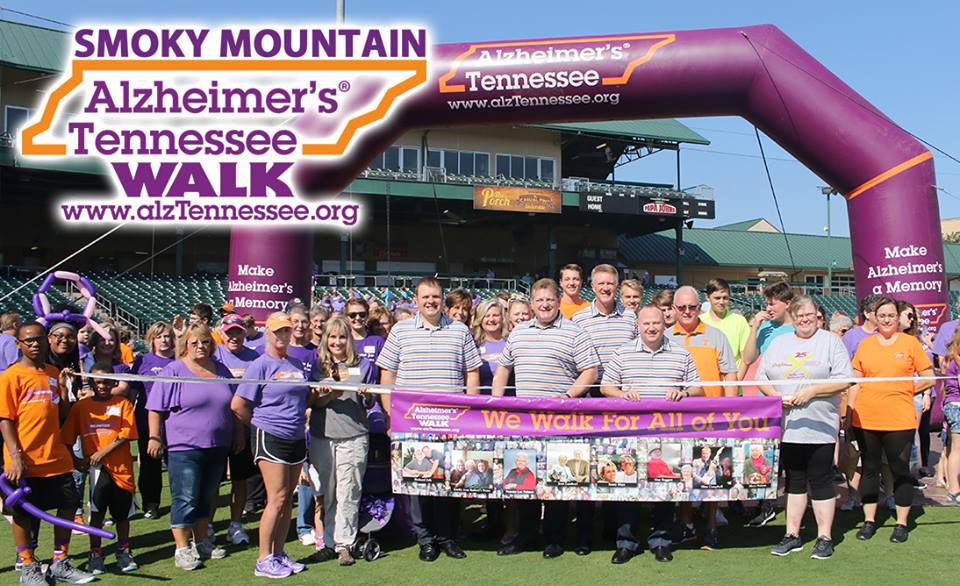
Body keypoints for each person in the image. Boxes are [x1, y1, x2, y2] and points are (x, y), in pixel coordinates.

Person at [377, 277, 482, 562]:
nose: (431, 301)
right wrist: (391, 415)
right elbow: (387, 374)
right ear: (416, 300)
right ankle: (425, 540)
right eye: (425, 297)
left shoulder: (459, 330)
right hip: (412, 422)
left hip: (452, 422)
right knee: (417, 482)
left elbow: (472, 373)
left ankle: (447, 537)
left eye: (435, 296)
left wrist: (471, 412)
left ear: (442, 298)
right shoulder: (400, 331)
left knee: (448, 482)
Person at [493, 278, 599, 558]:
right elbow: (503, 368)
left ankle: (554, 538)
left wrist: (568, 396)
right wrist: (495, 402)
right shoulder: (518, 332)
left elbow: (590, 371)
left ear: (558, 301)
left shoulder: (575, 332)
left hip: (561, 421)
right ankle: (526, 536)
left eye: (549, 300)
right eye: (539, 300)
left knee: (558, 479)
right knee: (526, 481)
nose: (544, 305)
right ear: (531, 303)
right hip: (525, 421)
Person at [600, 304, 702, 564]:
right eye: (646, 323)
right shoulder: (622, 352)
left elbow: (697, 388)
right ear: (638, 325)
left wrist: (683, 392)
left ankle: (661, 542)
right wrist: (622, 394)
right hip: (629, 435)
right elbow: (606, 386)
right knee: (627, 489)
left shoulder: (681, 353)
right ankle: (626, 543)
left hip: (667, 434)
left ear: (664, 323)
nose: (652, 327)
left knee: (664, 489)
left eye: (656, 322)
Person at [756, 294, 852, 560]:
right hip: (788, 426)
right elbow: (761, 377)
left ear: (817, 316)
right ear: (793, 317)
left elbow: (845, 379)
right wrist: (776, 396)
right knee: (794, 480)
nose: (805, 319)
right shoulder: (779, 343)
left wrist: (813, 391)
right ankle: (792, 534)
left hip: (820, 424)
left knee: (821, 479)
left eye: (810, 315)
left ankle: (824, 537)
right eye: (800, 315)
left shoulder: (831, 341)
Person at [0, 322, 95, 585]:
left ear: (46, 341)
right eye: (28, 340)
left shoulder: (52, 373)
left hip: (55, 456)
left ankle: (59, 562)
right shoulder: (10, 376)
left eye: (38, 339)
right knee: (22, 514)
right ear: (18, 344)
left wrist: (64, 391)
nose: (34, 344)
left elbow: (62, 415)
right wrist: (15, 455)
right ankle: (28, 566)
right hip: (24, 460)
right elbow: (5, 419)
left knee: (68, 505)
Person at [147, 323, 239, 570]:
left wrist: (238, 434)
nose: (201, 346)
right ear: (185, 345)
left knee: (206, 497)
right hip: (184, 446)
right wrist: (154, 436)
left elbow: (234, 404)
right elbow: (155, 407)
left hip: (217, 445)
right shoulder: (174, 370)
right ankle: (182, 548)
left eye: (205, 342)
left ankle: (201, 542)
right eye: (194, 342)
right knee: (185, 497)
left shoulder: (221, 370)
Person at [231, 313, 313, 578]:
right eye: (277, 331)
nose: (282, 336)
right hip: (271, 437)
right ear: (267, 333)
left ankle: (279, 553)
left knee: (287, 498)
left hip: (295, 436)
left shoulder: (296, 364)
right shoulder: (259, 365)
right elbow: (238, 405)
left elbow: (304, 398)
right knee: (276, 498)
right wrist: (260, 425)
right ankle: (263, 559)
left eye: (286, 330)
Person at [849, 297, 935, 543]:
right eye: (882, 316)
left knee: (899, 469)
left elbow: (929, 377)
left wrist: (906, 390)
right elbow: (855, 380)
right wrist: (849, 413)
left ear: (898, 318)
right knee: (870, 469)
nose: (886, 320)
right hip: (866, 418)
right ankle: (869, 521)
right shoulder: (865, 345)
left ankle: (901, 523)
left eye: (891, 316)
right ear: (874, 318)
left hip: (900, 419)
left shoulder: (910, 343)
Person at [667, 286, 737, 549]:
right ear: (674, 309)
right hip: (677, 418)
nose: (687, 312)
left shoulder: (716, 336)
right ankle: (685, 524)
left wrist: (730, 409)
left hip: (712, 415)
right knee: (684, 469)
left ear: (700, 308)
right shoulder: (664, 337)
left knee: (713, 473)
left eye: (692, 307)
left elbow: (729, 374)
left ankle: (710, 527)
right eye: (682, 307)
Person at [309, 316, 378, 566]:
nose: (337, 342)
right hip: (323, 436)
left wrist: (367, 396)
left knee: (349, 491)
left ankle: (344, 544)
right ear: (325, 339)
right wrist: (329, 396)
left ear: (349, 339)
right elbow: (311, 402)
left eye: (342, 337)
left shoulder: (363, 365)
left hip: (354, 435)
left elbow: (370, 401)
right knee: (327, 492)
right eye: (332, 337)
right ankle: (328, 542)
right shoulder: (316, 365)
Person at [61, 362, 139, 575]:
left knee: (122, 515)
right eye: (97, 383)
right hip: (97, 471)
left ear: (114, 382)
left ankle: (123, 551)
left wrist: (101, 453)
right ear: (91, 383)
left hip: (122, 470)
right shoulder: (81, 407)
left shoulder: (122, 404)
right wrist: (76, 462)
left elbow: (126, 434)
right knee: (96, 514)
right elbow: (66, 437)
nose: (102, 386)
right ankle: (96, 554)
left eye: (106, 382)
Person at [211, 314, 260, 546]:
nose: (234, 337)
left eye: (238, 332)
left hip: (245, 425)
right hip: (218, 426)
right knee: (214, 480)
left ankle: (235, 524)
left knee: (240, 479)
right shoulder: (213, 356)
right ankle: (208, 525)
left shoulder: (255, 358)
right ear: (222, 334)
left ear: (244, 333)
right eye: (229, 333)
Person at [130, 321, 176, 520]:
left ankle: (180, 502)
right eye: (159, 337)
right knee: (150, 464)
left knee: (176, 464)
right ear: (151, 340)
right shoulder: (143, 361)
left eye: (167, 336)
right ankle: (151, 504)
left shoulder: (180, 360)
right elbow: (133, 392)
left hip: (175, 419)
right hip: (146, 419)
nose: (163, 340)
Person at [699, 278, 751, 376]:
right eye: (717, 298)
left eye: (725, 298)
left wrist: (736, 381)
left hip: (731, 381)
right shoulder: (699, 322)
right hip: (706, 382)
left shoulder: (740, 321)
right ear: (707, 297)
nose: (721, 302)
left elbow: (745, 358)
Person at [940, 326, 960, 502]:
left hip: (951, 405)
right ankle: (954, 490)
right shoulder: (956, 360)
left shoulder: (950, 358)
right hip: (956, 406)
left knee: (953, 449)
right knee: (956, 450)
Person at [472, 298, 508, 391]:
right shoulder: (473, 344)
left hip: (509, 398)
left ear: (502, 318)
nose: (491, 319)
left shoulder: (510, 343)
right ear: (480, 319)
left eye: (495, 315)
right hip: (481, 398)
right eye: (487, 316)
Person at [345, 298, 385, 366]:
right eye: (352, 315)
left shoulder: (378, 342)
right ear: (346, 317)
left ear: (367, 316)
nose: (358, 318)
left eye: (362, 314)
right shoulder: (341, 341)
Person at [285, 304, 318, 381]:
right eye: (295, 321)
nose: (300, 325)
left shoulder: (316, 352)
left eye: (304, 322)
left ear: (309, 324)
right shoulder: (281, 349)